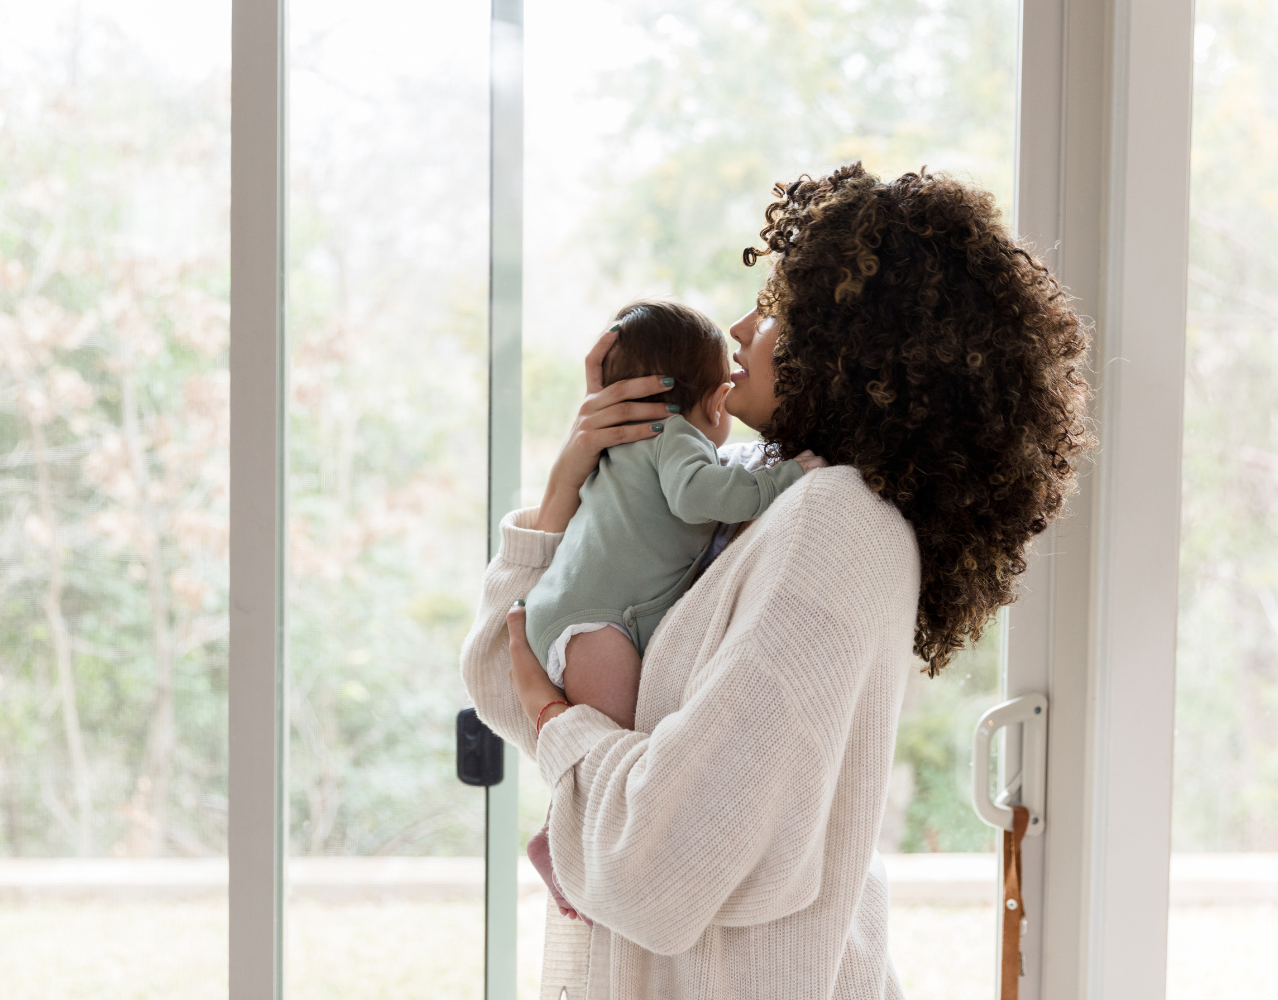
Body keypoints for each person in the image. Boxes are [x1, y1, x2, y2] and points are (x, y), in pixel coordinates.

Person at [461, 162, 1092, 999]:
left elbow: (660, 862)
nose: (739, 327)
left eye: (776, 309)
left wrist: (557, 722)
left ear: (852, 343)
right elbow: (501, 677)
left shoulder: (835, 523)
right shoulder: (745, 490)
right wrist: (572, 488)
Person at [519, 298, 825, 921]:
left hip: (574, 613)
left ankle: (563, 836)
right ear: (713, 400)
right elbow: (698, 495)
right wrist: (785, 477)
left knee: (611, 752)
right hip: (591, 625)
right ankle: (563, 840)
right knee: (617, 757)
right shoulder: (676, 438)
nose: (744, 327)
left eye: (769, 314)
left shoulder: (636, 446)